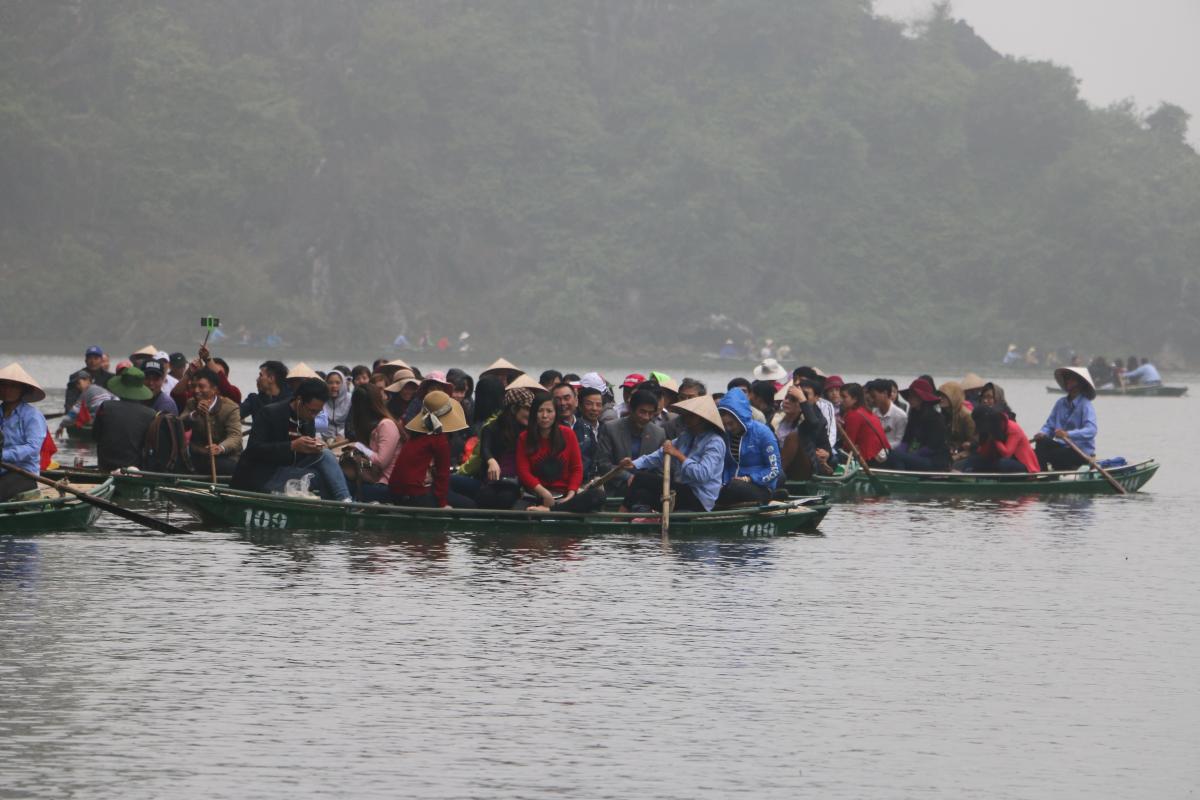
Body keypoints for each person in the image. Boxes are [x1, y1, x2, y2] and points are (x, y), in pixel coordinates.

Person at [231, 378, 352, 501]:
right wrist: (291, 446)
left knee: (325, 460)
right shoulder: (270, 413)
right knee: (321, 476)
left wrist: (313, 447)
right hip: (263, 474)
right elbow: (253, 450)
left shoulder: (308, 419)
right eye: (312, 411)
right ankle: (344, 503)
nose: (314, 416)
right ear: (299, 401)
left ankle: (344, 501)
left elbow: (303, 455)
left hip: (289, 469)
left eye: (318, 412)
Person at [619, 395, 727, 513]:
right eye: (685, 415)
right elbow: (660, 455)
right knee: (641, 494)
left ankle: (617, 519)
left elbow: (702, 475)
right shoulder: (686, 436)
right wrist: (633, 464)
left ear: (702, 419)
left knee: (640, 478)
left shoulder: (715, 442)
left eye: (691, 416)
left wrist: (678, 455)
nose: (685, 419)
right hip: (681, 491)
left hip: (699, 499)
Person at [517, 392, 604, 512]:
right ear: (533, 414)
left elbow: (577, 468)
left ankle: (551, 511)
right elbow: (523, 471)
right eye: (540, 411)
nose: (544, 415)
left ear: (556, 413)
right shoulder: (524, 437)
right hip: (536, 494)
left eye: (549, 411)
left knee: (597, 496)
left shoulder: (568, 434)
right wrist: (544, 493)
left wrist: (571, 492)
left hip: (564, 496)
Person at [387, 391, 476, 508]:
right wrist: (442, 504)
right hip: (416, 496)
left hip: (395, 492)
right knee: (470, 505)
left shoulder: (415, 435)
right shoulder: (439, 439)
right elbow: (442, 475)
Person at [715, 389, 782, 507]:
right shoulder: (725, 435)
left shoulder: (763, 433)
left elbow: (774, 469)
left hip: (759, 487)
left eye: (731, 423)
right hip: (730, 485)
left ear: (741, 417)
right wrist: (721, 483)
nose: (728, 428)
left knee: (735, 486)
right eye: (725, 424)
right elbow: (724, 465)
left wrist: (750, 479)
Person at [596, 389, 666, 495]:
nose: (646, 417)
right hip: (616, 488)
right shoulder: (610, 428)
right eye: (642, 412)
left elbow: (659, 470)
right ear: (631, 409)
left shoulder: (658, 433)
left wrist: (643, 481)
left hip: (646, 491)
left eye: (651, 413)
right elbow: (604, 464)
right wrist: (628, 477)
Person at [475, 387, 534, 509]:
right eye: (527, 409)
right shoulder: (491, 427)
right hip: (492, 479)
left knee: (505, 498)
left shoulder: (531, 430)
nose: (531, 414)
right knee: (485, 496)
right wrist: (491, 460)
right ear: (513, 409)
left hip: (517, 482)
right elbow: (485, 449)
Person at [344, 383, 404, 502]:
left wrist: (359, 447)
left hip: (386, 484)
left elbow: (381, 461)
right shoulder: (371, 426)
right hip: (373, 478)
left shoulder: (386, 425)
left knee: (348, 487)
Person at [93, 367, 159, 472]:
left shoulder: (106, 406)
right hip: (134, 470)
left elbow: (95, 436)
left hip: (105, 467)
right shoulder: (150, 414)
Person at [181, 368, 243, 476]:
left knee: (224, 467)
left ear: (214, 389)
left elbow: (235, 436)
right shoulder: (191, 403)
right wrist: (195, 414)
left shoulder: (230, 408)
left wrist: (220, 448)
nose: (196, 391)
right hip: (198, 455)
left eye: (201, 386)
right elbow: (180, 424)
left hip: (225, 457)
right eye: (194, 386)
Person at [0, 364, 49, 500]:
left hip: (23, 475)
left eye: (13, 386)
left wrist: (3, 455)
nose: (7, 390)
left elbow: (33, 448)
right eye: (3, 385)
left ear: (23, 390)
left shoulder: (32, 416)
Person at [1034, 367, 1098, 470]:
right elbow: (1049, 426)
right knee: (1041, 443)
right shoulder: (1060, 403)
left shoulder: (1085, 405)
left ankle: (1044, 475)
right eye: (1067, 378)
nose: (1068, 381)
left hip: (1080, 452)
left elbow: (1091, 430)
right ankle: (1042, 475)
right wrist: (1042, 433)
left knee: (1051, 453)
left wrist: (1068, 434)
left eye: (1072, 379)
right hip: (1062, 447)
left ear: (1080, 383)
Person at [884, 378, 950, 471]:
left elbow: (932, 447)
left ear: (922, 398)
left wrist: (910, 456)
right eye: (910, 396)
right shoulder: (914, 416)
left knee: (897, 457)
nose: (910, 399)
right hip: (917, 456)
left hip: (934, 461)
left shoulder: (936, 419)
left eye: (913, 396)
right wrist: (899, 452)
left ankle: (902, 478)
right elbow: (906, 440)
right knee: (892, 455)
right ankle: (900, 477)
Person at [963, 405, 1039, 473]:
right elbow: (984, 454)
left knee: (1002, 463)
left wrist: (995, 437)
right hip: (1001, 461)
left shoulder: (1013, 428)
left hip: (1024, 465)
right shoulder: (987, 429)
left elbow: (1007, 454)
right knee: (973, 460)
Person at [775, 385, 829, 480]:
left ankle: (775, 476)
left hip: (802, 468)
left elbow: (813, 422)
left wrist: (802, 399)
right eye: (786, 398)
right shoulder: (775, 419)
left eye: (793, 400)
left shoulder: (806, 424)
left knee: (792, 437)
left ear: (801, 407)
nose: (787, 401)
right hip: (776, 462)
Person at [839, 383, 890, 466]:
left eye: (844, 397)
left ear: (855, 399)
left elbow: (848, 444)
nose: (841, 400)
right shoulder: (864, 410)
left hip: (870, 456)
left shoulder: (854, 414)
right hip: (882, 452)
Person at [937, 381, 977, 465]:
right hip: (950, 452)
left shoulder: (967, 416)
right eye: (940, 395)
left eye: (944, 396)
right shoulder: (943, 415)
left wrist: (957, 455)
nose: (940, 398)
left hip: (966, 454)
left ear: (953, 397)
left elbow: (974, 443)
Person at [64, 345, 114, 412]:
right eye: (90, 358)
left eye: (96, 358)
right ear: (85, 360)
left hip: (103, 412)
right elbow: (70, 399)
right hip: (81, 412)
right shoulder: (75, 376)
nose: (92, 361)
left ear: (101, 360)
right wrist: (69, 411)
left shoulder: (110, 377)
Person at [866, 379, 907, 448]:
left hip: (891, 452)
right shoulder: (873, 412)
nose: (872, 400)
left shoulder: (900, 415)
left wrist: (881, 446)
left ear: (885, 393)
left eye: (874, 396)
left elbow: (900, 441)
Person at [575, 386, 604, 480]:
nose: (594, 408)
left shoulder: (607, 428)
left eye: (598, 405)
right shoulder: (575, 428)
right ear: (580, 405)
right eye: (589, 404)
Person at [322, 369, 352, 439]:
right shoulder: (322, 399)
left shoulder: (350, 399)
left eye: (338, 383)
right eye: (330, 383)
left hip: (346, 438)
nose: (334, 386)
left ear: (343, 384)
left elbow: (353, 422)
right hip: (325, 439)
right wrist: (319, 439)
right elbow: (319, 425)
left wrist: (342, 434)